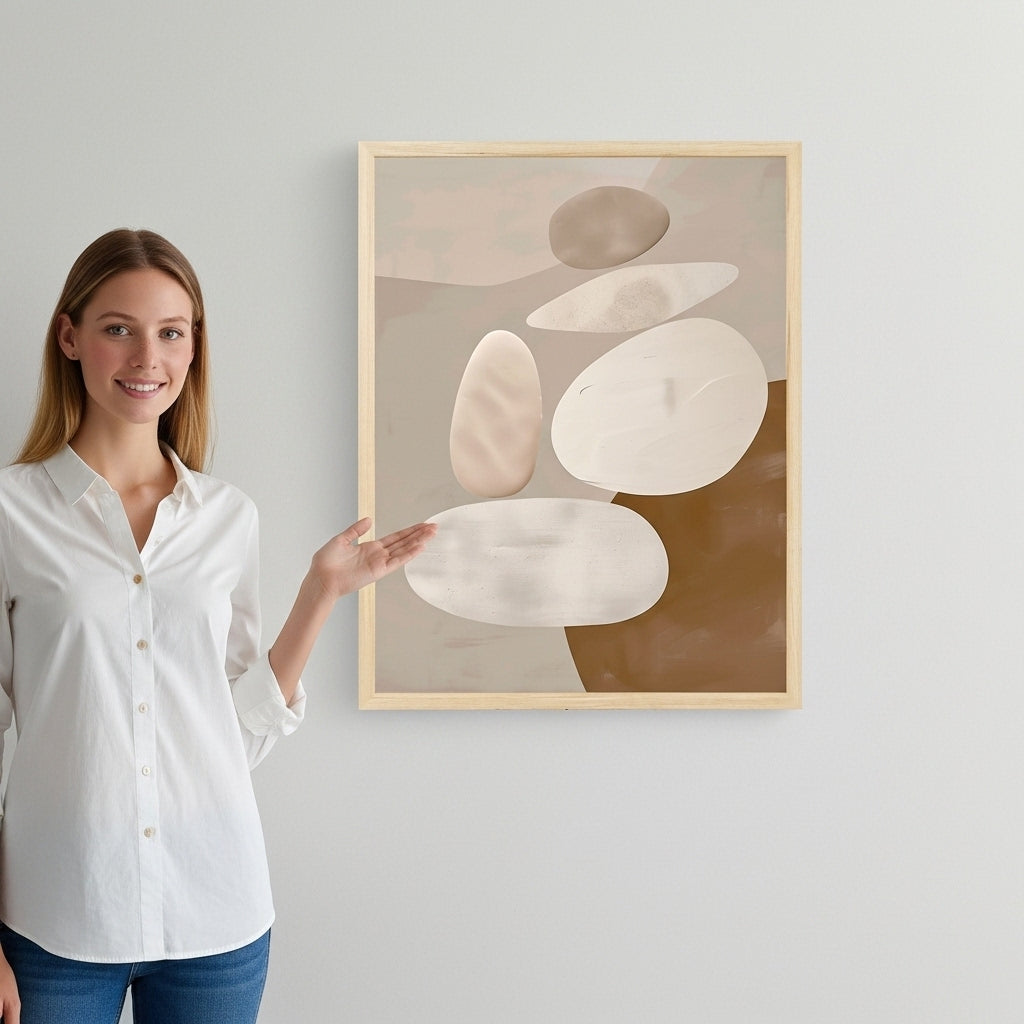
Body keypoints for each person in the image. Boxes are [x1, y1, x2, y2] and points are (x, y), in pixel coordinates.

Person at [0, 228, 435, 1024]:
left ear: (194, 349)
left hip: (216, 910)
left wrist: (322, 593)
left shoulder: (228, 518)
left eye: (171, 332)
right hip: (55, 920)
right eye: (117, 328)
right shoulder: (10, 512)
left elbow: (228, 734)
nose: (145, 358)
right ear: (70, 336)